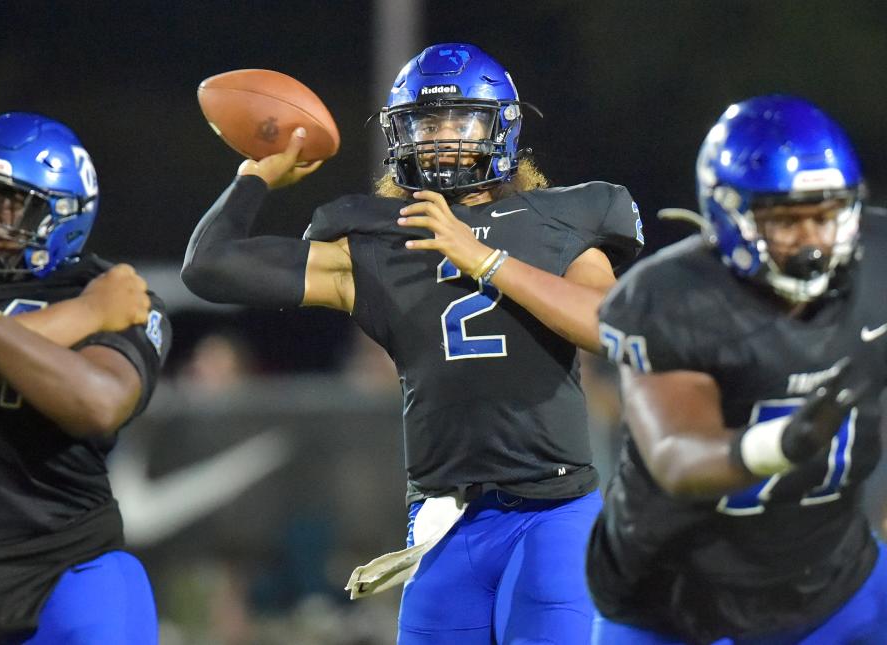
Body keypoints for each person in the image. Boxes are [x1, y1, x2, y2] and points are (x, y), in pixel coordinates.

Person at [183, 42, 642, 643]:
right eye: (426, 124)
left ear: (501, 127)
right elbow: (210, 267)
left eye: (460, 120)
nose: (442, 139)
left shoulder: (561, 219)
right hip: (444, 521)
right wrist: (256, 174)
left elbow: (610, 326)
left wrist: (486, 259)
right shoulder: (377, 242)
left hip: (553, 512)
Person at [590, 95, 887, 644]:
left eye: (825, 216)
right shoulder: (673, 298)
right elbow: (677, 456)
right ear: (729, 214)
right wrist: (783, 443)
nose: (813, 239)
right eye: (788, 220)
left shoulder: (878, 260)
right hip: (674, 603)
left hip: (832, 584)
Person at [0, 112, 171, 644]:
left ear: (61, 218)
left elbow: (99, 401)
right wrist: (79, 319)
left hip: (61, 570)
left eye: (5, 204)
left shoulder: (111, 291)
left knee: (115, 591)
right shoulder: (89, 305)